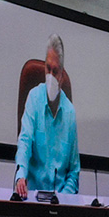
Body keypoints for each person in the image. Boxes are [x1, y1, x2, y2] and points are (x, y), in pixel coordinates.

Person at [14, 34, 80, 198]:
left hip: (60, 200)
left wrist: (63, 198)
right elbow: (25, 141)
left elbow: (74, 171)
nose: (50, 76)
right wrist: (21, 174)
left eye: (55, 71)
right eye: (47, 69)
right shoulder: (34, 98)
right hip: (32, 195)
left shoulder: (70, 113)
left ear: (62, 77)